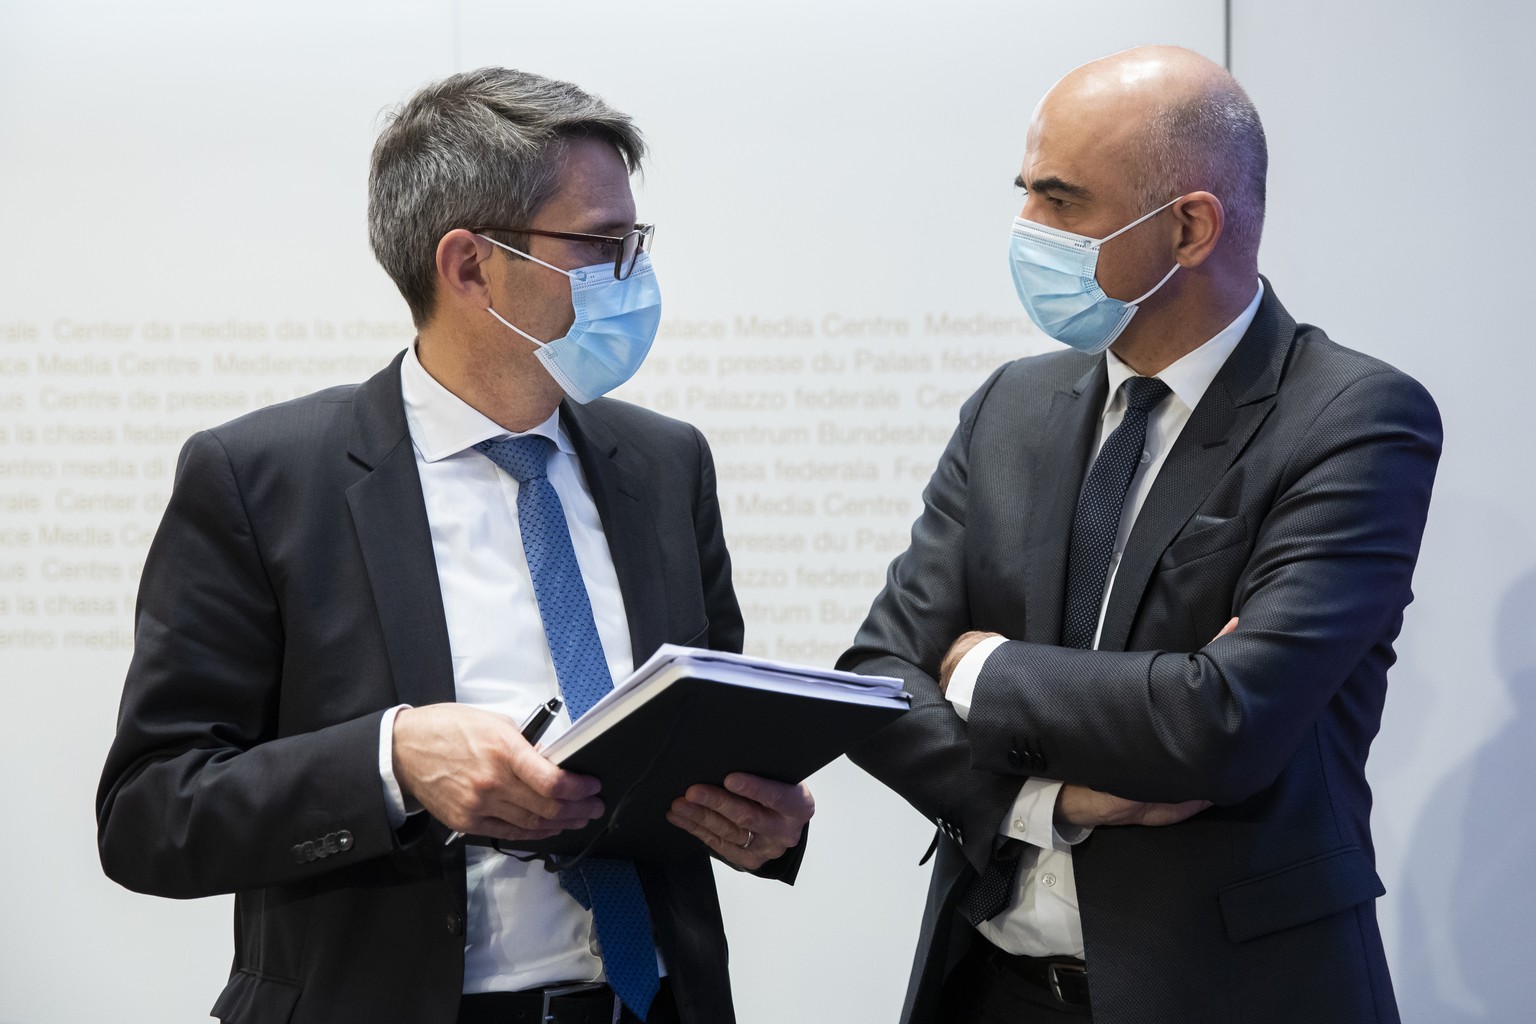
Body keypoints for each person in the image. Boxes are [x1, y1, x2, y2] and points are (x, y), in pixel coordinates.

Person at [96, 67, 814, 1024]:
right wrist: (391, 763)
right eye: (601, 245)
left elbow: (710, 732)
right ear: (471, 266)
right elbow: (151, 813)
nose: (632, 275)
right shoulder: (262, 477)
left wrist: (763, 817)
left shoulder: (666, 464)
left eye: (635, 243)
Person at [842, 45, 1439, 1024]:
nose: (1025, 229)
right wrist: (1053, 802)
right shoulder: (1012, 406)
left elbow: (1221, 722)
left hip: (1229, 993)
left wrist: (983, 670)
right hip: (989, 985)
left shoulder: (1354, 418)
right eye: (1024, 192)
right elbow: (878, 674)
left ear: (1190, 227)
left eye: (1061, 201)